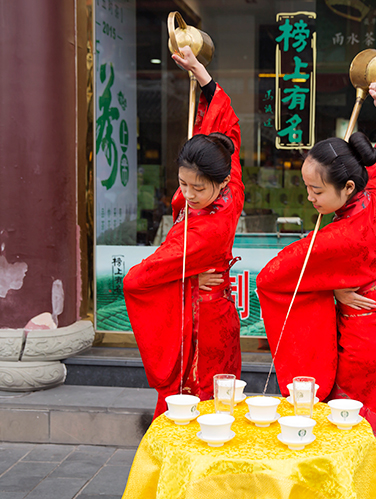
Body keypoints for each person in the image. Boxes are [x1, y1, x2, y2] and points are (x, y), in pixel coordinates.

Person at [256, 82, 376, 496]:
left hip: (367, 348)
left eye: (316, 190)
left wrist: (326, 290)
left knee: (352, 448)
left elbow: (272, 280)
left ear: (347, 187)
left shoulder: (341, 238)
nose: (309, 198)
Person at [124, 46, 243, 419]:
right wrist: (201, 74)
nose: (188, 195)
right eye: (182, 184)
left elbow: (136, 282)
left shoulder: (200, 232)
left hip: (199, 328)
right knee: (220, 404)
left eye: (197, 188)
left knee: (194, 405)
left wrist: (187, 277)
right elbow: (225, 132)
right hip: (220, 312)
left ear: (220, 183)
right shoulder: (231, 187)